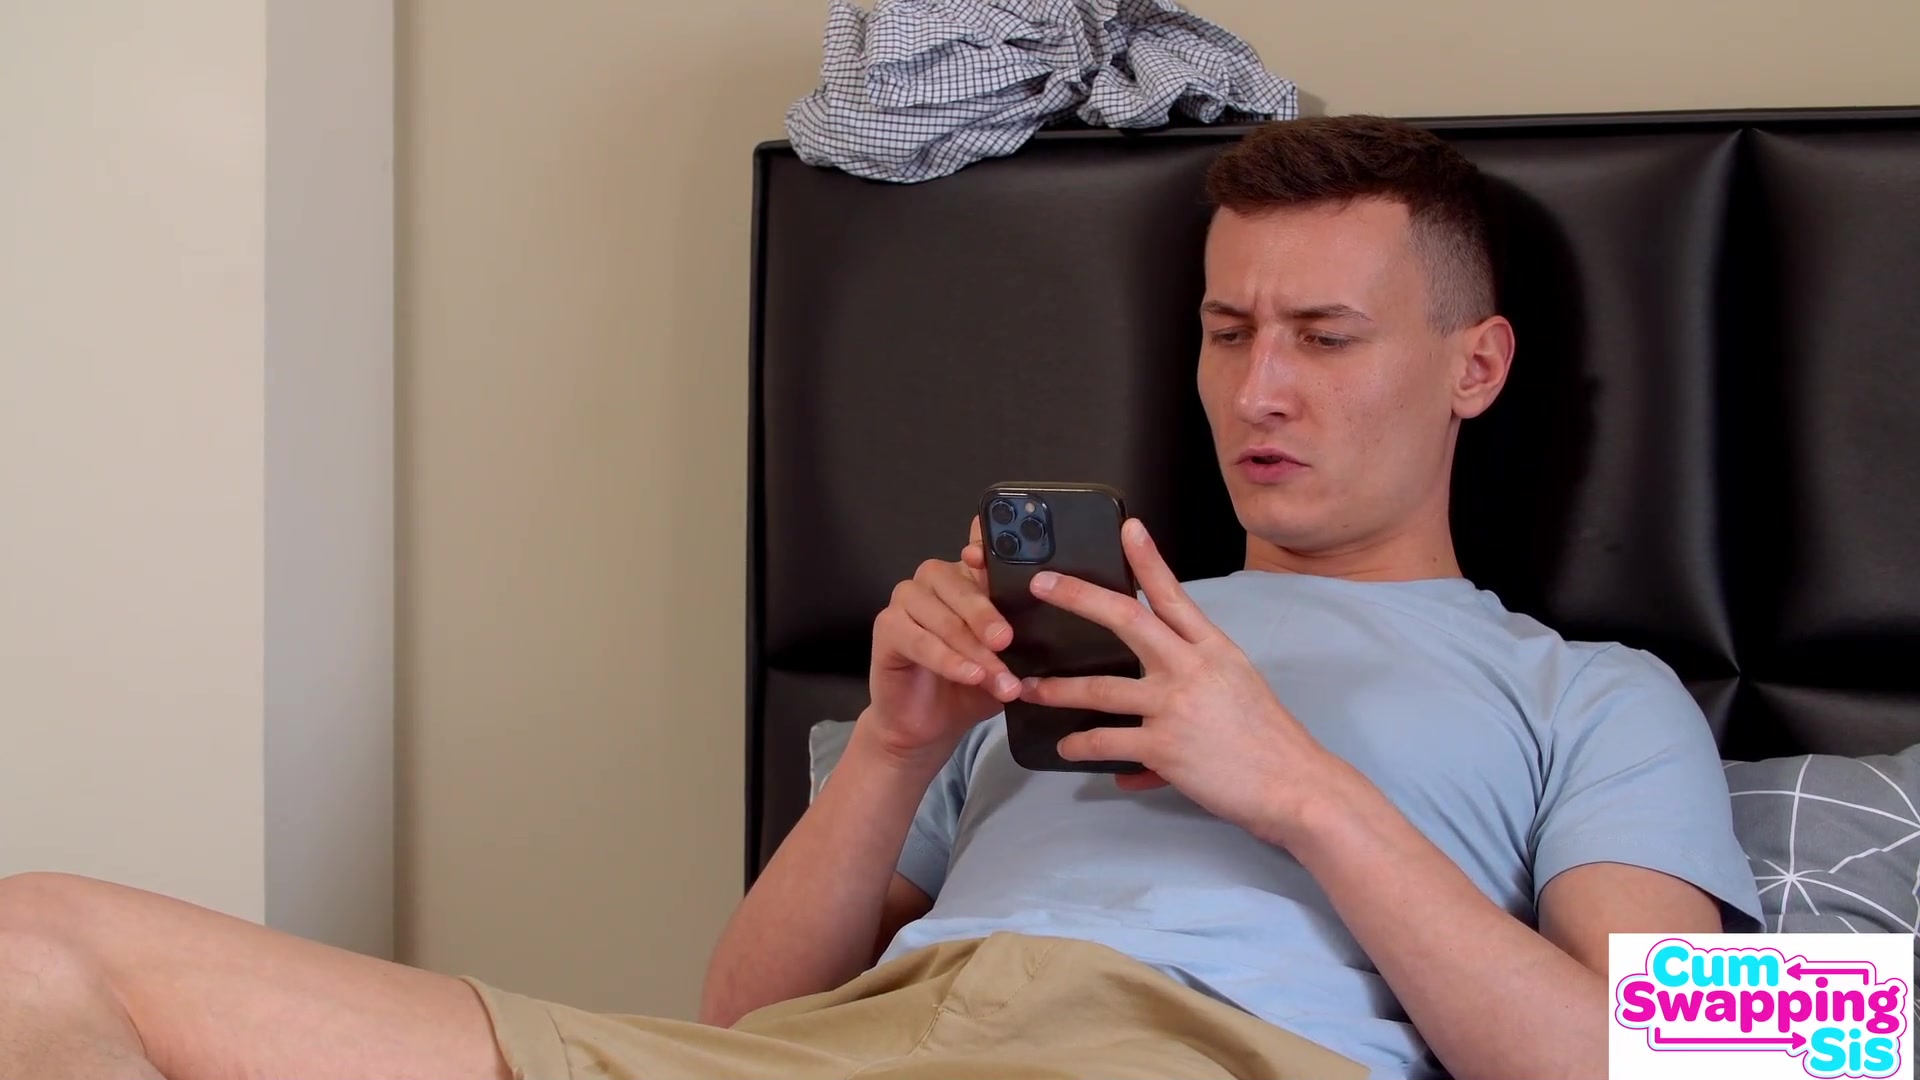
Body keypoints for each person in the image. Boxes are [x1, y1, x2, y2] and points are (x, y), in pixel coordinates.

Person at [0, 115, 1762, 1080]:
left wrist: (1292, 784)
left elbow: (1674, 1067)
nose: (1261, 389)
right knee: (37, 945)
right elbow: (737, 1022)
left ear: (1474, 366)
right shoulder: (1075, 639)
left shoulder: (1590, 693)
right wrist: (900, 748)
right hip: (866, 1050)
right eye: (1228, 332)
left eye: (1325, 335)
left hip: (1181, 1056)